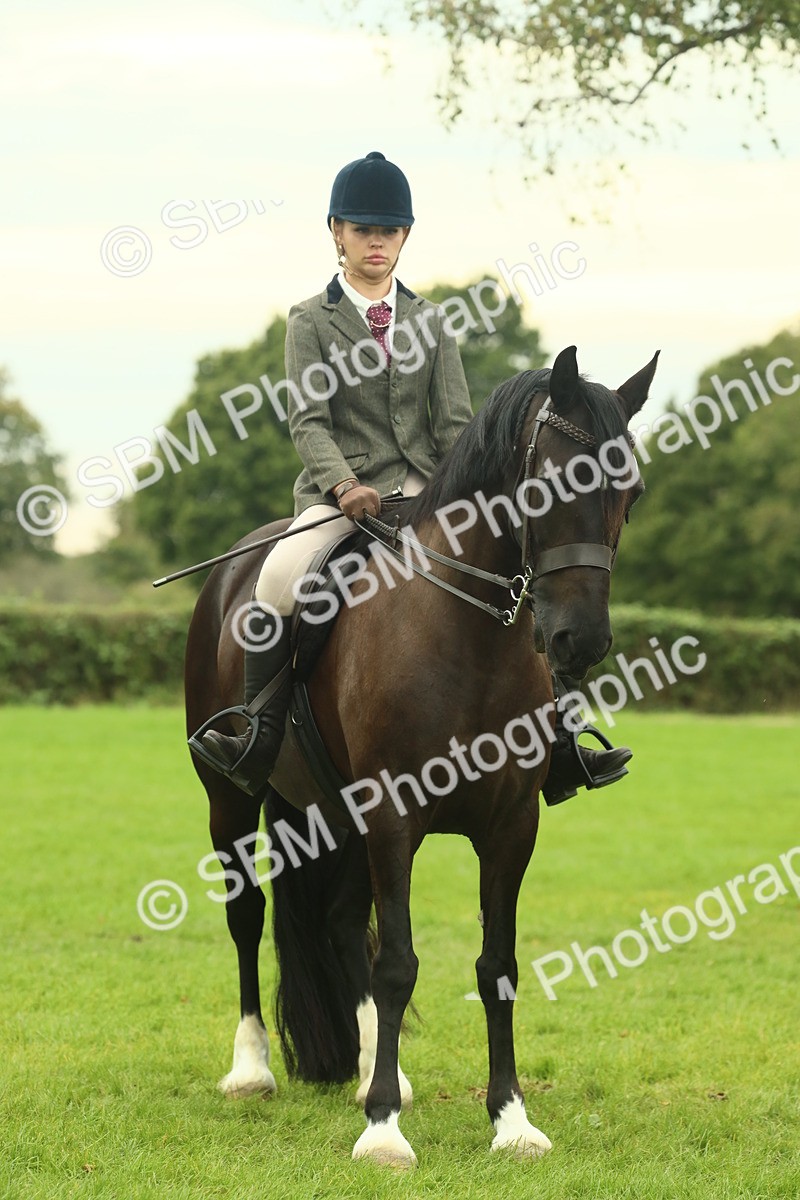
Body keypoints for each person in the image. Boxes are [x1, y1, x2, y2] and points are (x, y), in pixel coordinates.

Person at [188, 150, 631, 804]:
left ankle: (561, 739)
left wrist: (477, 499)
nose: (376, 241)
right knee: (280, 577)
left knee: (525, 568)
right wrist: (345, 487)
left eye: (388, 231)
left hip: (429, 498)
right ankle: (257, 732)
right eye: (363, 229)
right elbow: (307, 421)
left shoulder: (433, 322)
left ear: (405, 237)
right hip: (338, 504)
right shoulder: (309, 320)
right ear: (336, 232)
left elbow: (456, 426)